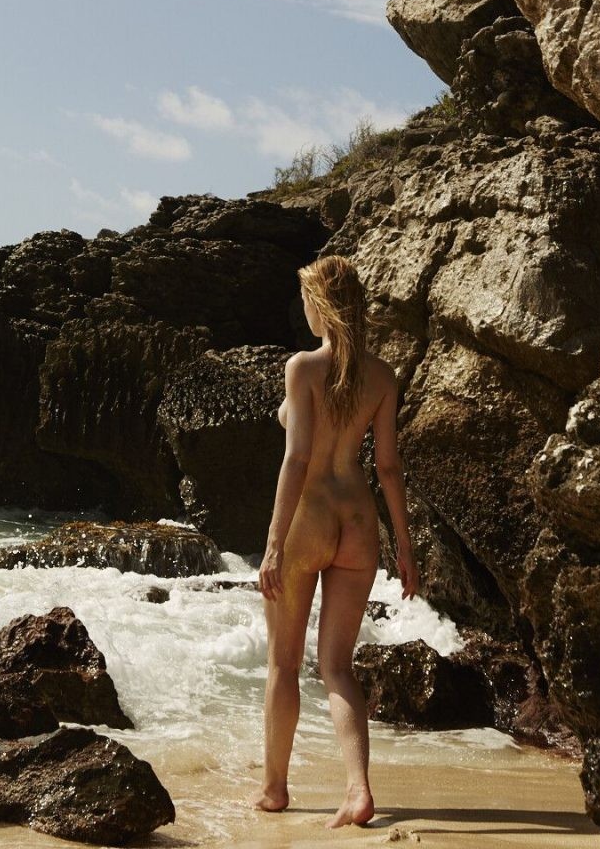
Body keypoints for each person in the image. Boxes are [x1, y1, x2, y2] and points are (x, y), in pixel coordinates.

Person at [255, 253, 419, 829]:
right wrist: (405, 547)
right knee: (337, 667)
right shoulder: (382, 376)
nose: (302, 308)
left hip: (308, 520)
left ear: (320, 306)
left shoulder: (302, 367)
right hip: (359, 522)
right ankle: (358, 790)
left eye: (306, 298)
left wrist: (273, 545)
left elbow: (297, 459)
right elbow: (389, 468)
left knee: (283, 663)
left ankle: (275, 789)